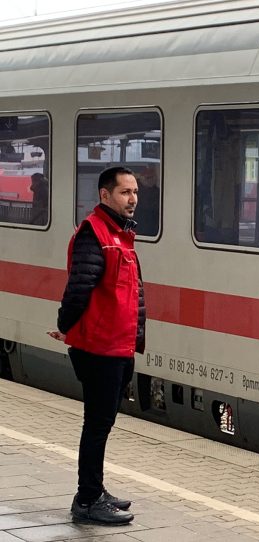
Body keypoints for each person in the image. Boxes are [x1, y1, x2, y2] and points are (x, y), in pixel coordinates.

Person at [47, 166, 144, 525]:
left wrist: (136, 336)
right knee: (97, 423)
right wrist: (66, 328)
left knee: (102, 423)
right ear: (105, 195)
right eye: (124, 192)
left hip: (118, 347)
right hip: (100, 348)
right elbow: (78, 288)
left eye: (135, 191)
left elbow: (132, 295)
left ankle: (94, 490)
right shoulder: (95, 233)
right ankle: (87, 499)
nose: (132, 199)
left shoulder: (121, 235)